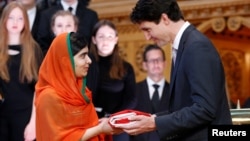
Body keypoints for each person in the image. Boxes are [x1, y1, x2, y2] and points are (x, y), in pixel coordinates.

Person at [114, 0, 232, 140]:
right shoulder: (184, 45)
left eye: (147, 29)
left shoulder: (196, 47)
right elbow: (183, 106)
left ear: (164, 19)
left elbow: (204, 110)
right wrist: (152, 118)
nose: (147, 37)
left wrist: (155, 123)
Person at [35, 32, 119, 141]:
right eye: (83, 56)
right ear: (66, 61)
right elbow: (59, 138)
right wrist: (100, 129)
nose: (89, 61)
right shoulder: (48, 97)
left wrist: (101, 124)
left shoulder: (81, 91)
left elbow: (86, 127)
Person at [86, 20, 137, 141]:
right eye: (101, 36)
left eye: (110, 36)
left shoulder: (126, 68)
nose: (105, 41)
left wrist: (112, 119)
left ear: (116, 39)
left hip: (116, 126)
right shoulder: (84, 65)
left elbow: (131, 100)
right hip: (88, 125)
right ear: (94, 39)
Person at [0, 1, 43, 141]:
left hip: (26, 115)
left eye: (20, 18)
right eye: (11, 17)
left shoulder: (33, 49)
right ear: (4, 20)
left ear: (25, 22)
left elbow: (40, 89)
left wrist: (34, 123)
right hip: (2, 115)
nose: (15, 22)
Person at [130, 44, 170, 141]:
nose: (156, 63)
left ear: (165, 63)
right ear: (145, 65)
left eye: (159, 59)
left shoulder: (174, 91)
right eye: (152, 60)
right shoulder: (133, 90)